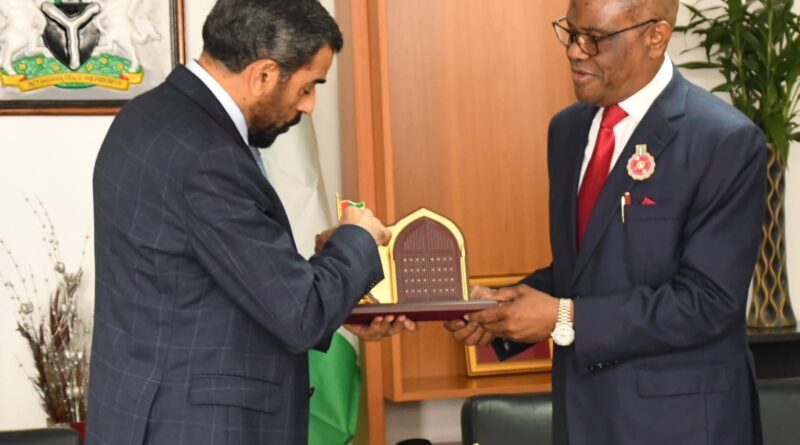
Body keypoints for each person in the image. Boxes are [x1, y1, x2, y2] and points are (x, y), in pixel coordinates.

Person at [87, 1, 414, 444]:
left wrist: (340, 301)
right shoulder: (206, 155)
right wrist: (358, 236)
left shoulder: (148, 117)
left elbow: (215, 283)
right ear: (263, 75)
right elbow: (299, 312)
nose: (311, 105)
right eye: (306, 87)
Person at [447, 0, 766, 444]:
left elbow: (707, 301)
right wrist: (501, 307)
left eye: (594, 38)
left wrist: (561, 317)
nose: (575, 51)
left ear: (655, 36)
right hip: (584, 417)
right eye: (570, 32)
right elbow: (586, 269)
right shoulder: (567, 130)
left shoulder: (725, 141)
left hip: (682, 426)